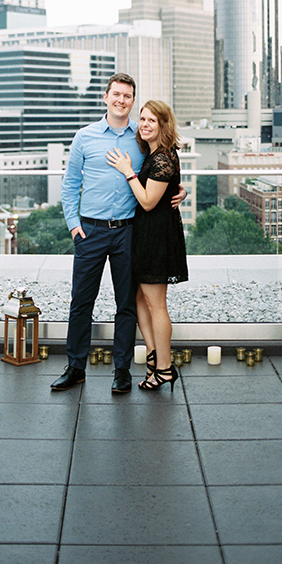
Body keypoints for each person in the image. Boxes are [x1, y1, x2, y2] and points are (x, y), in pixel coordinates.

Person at [51, 75, 185, 394]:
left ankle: (121, 369)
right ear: (106, 97)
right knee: (81, 302)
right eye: (116, 94)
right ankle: (75, 367)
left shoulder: (139, 140)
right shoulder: (84, 137)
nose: (121, 100)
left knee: (126, 304)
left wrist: (180, 192)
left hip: (129, 233)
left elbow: (160, 171)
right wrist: (73, 224)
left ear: (132, 101)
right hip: (90, 231)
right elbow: (69, 185)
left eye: (127, 96)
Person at [106, 100, 188, 391]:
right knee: (141, 299)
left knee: (156, 304)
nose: (144, 124)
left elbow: (148, 201)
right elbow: (165, 189)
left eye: (152, 120)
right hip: (145, 236)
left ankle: (164, 368)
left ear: (164, 125)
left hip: (157, 239)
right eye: (142, 119)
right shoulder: (152, 155)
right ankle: (154, 358)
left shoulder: (163, 157)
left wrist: (127, 171)